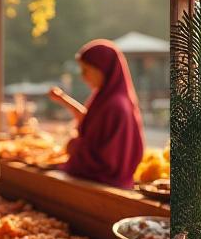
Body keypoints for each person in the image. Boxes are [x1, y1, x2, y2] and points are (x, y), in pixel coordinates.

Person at [47, 39, 144, 189]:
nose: (83, 76)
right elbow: (91, 122)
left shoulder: (116, 106)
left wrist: (75, 147)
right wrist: (63, 100)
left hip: (108, 189)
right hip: (96, 184)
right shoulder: (105, 97)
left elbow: (109, 160)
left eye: (86, 70)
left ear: (103, 69)